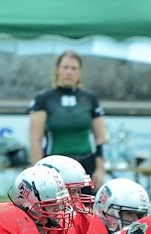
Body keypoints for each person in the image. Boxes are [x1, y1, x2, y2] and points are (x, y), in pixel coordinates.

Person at [29, 50, 108, 188]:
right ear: (57, 70)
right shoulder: (44, 98)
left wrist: (100, 170)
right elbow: (35, 139)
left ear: (79, 72)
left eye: (73, 68)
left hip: (85, 166)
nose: (69, 72)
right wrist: (36, 172)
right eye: (65, 67)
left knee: (85, 208)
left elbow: (101, 138)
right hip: (54, 166)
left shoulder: (90, 98)